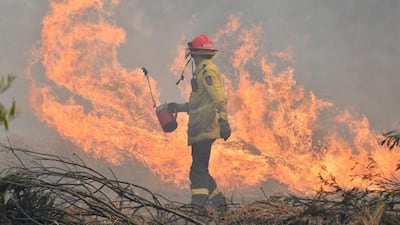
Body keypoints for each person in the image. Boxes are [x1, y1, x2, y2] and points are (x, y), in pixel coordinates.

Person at [168, 34, 231, 210]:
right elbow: (200, 103)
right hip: (201, 129)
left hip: (205, 128)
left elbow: (219, 97)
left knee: (197, 171)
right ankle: (220, 205)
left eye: (192, 55)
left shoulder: (206, 71)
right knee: (201, 168)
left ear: (195, 54)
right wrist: (178, 107)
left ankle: (197, 209)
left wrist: (223, 121)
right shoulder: (203, 71)